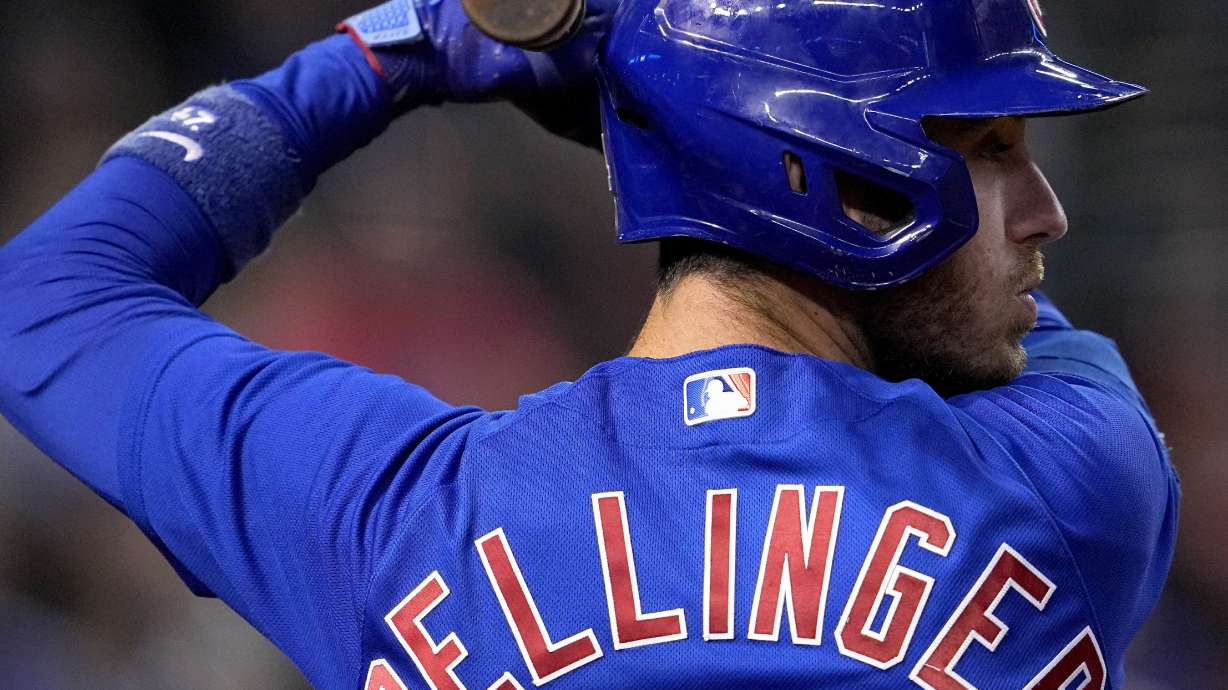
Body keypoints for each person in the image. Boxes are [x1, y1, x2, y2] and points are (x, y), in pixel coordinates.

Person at [0, 0, 1179, 688]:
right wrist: (684, 127)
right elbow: (1006, 327)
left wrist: (384, 60)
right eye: (988, 149)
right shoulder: (1067, 485)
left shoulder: (397, 514)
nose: (1045, 212)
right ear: (846, 181)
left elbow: (48, 296)